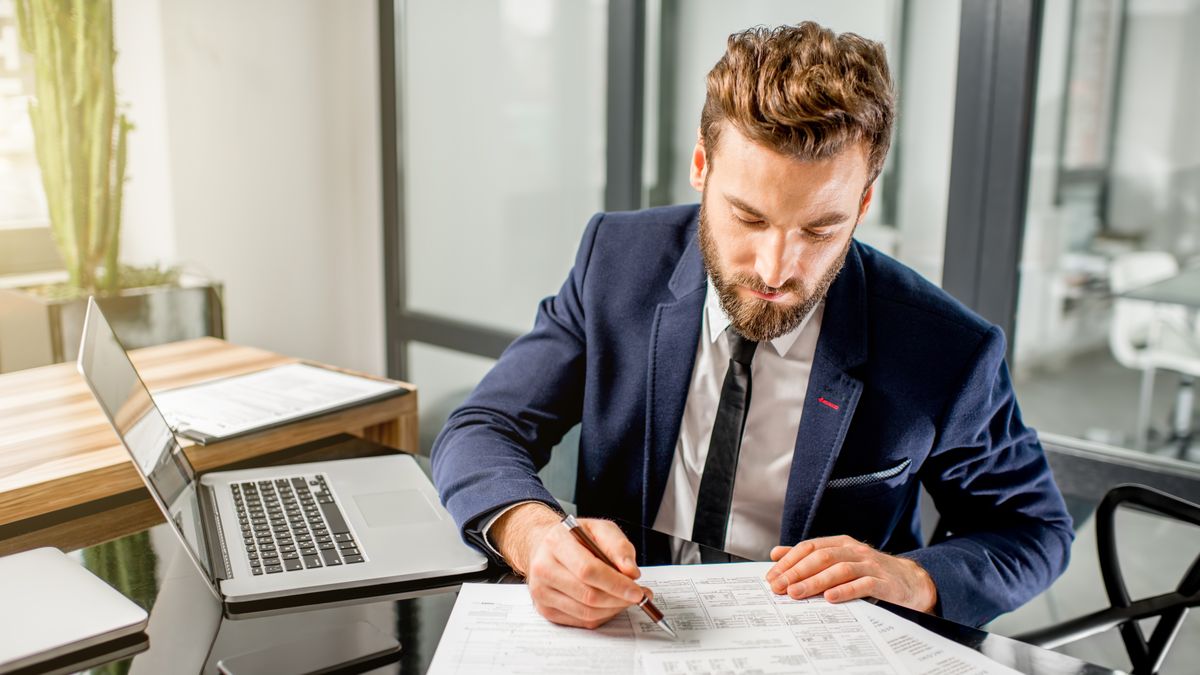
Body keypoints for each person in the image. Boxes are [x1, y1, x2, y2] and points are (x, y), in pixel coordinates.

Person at [430, 21, 1073, 631]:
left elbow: (1035, 531)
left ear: (864, 202)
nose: (776, 268)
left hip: (822, 647)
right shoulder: (616, 261)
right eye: (749, 218)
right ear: (702, 168)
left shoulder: (945, 348)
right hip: (622, 629)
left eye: (820, 229)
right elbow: (485, 425)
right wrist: (535, 533)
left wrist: (910, 578)